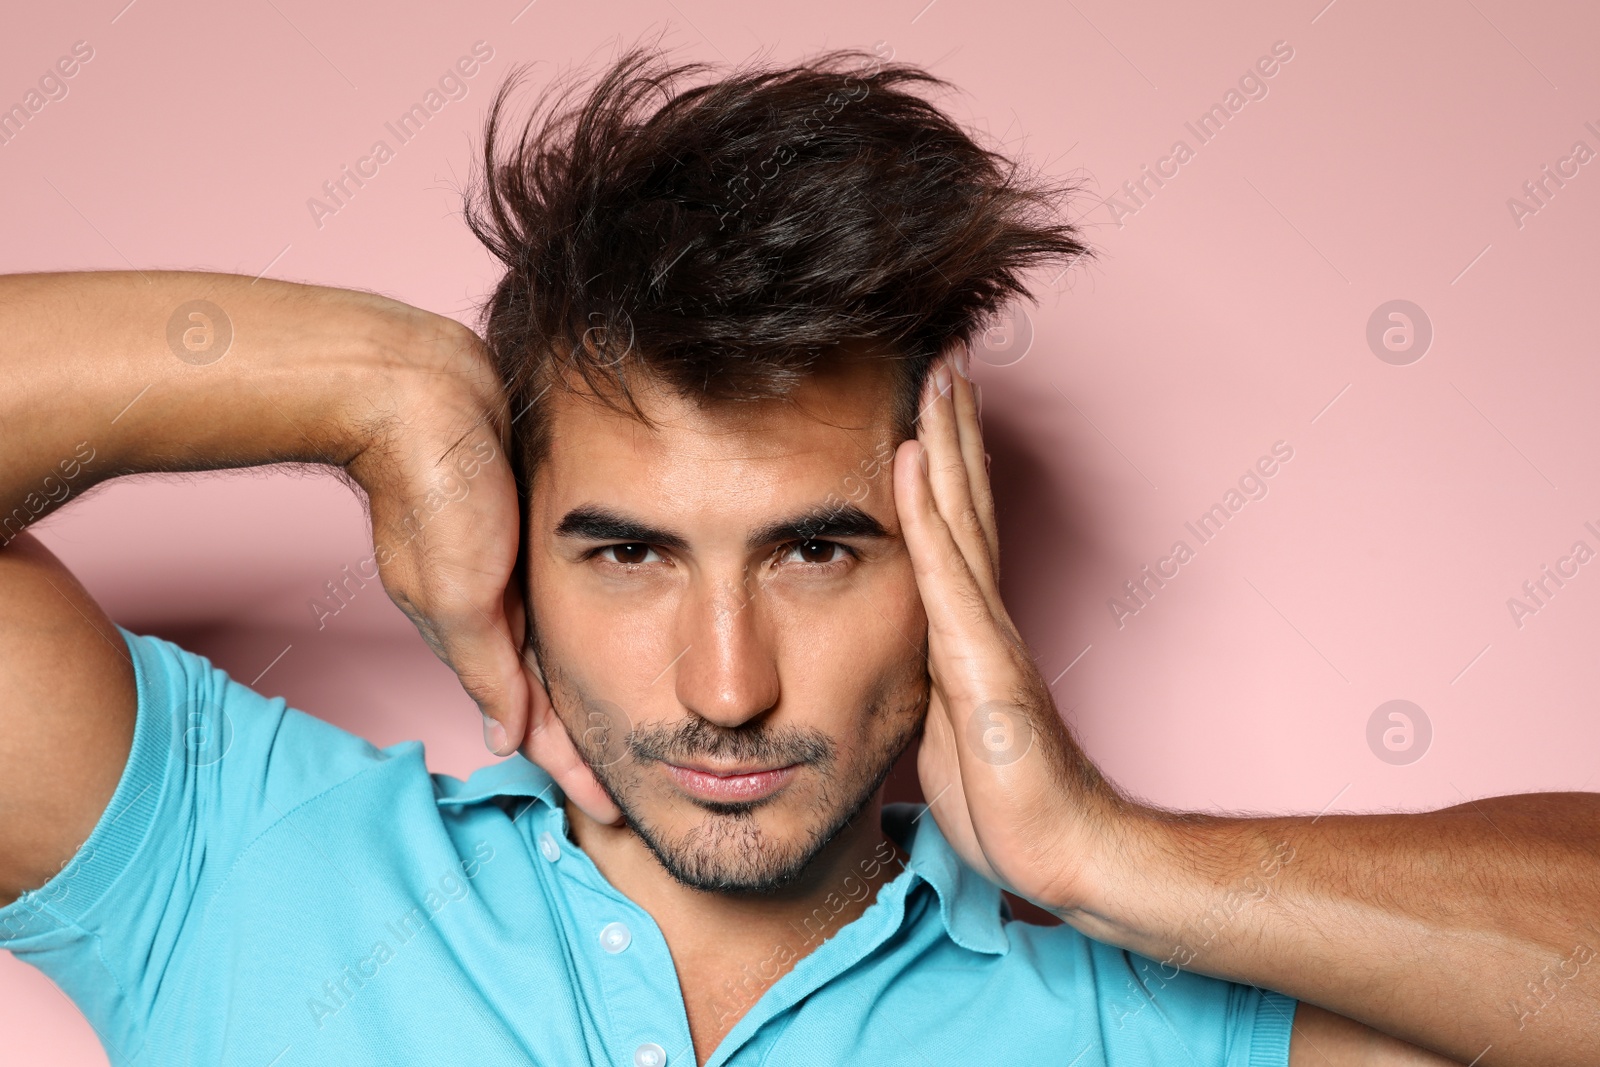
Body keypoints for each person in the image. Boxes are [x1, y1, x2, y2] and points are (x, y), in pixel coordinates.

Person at [0, 43, 1595, 1067]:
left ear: (944, 550)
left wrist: (1105, 856)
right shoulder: (233, 861)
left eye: (817, 553)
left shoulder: (1134, 1019)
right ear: (511, 557)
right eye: (625, 556)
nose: (726, 685)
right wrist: (371, 389)